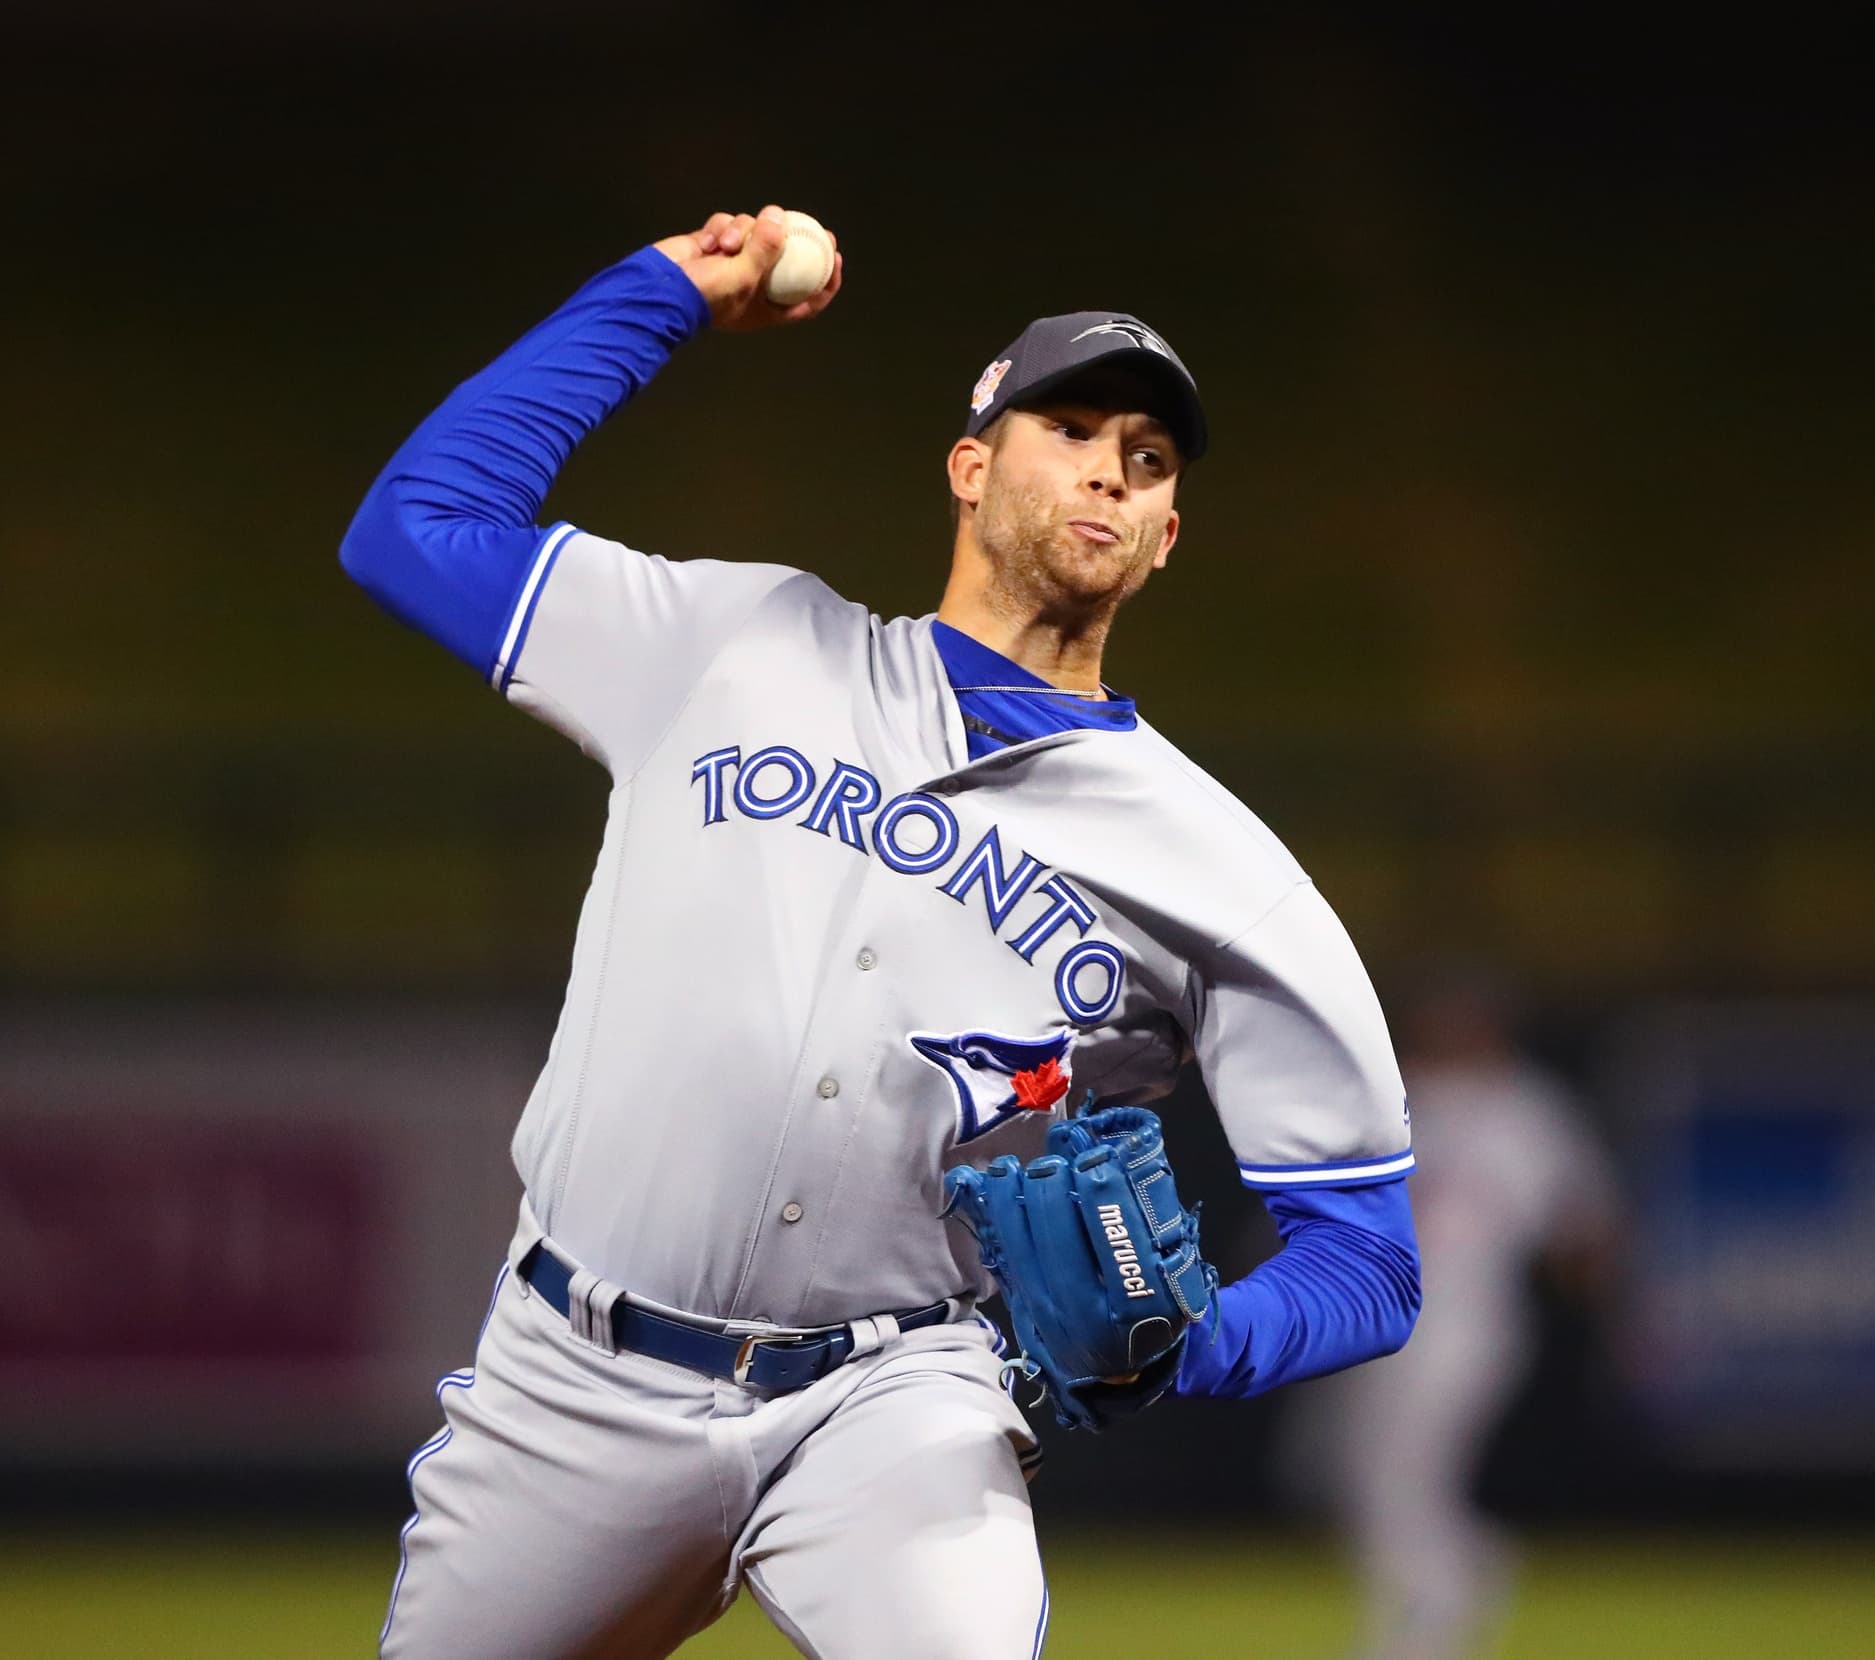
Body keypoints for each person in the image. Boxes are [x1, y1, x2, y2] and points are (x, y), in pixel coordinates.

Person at [338, 206, 1421, 1660]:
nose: (1110, 464)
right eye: (1073, 427)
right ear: (969, 468)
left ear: (1167, 537)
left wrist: (1192, 1339)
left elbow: (1366, 1257)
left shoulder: (1222, 870)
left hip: (898, 1403)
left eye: (1146, 459)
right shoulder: (731, 644)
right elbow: (416, 529)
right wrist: (656, 294)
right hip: (573, 1382)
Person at [1276, 975, 1622, 1660]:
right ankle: (1468, 1566)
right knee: (1338, 1475)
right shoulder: (1393, 1096)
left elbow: (1583, 1229)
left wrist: (1609, 1306)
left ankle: (1424, 1628)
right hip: (1368, 1321)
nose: (1448, 1031)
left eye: (1463, 1018)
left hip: (1463, 1324)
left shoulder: (1525, 1110)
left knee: (1398, 1482)